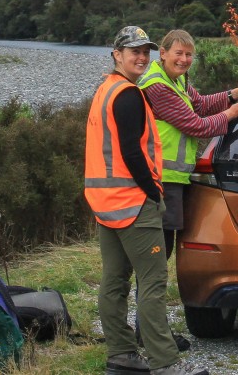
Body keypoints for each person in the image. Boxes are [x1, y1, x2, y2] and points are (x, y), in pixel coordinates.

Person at [84, 26, 209, 375]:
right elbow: (131, 153)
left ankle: (121, 357)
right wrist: (153, 193)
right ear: (116, 55)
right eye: (133, 51)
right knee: (152, 285)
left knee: (114, 282)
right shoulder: (129, 95)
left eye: (145, 51)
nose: (141, 57)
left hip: (106, 203)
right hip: (135, 203)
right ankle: (166, 364)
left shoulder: (106, 90)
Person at [135, 29, 238, 349]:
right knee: (155, 262)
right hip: (159, 182)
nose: (184, 60)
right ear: (162, 53)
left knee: (158, 259)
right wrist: (232, 114)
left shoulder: (177, 82)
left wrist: (234, 93)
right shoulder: (157, 86)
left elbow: (200, 104)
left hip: (171, 182)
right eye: (179, 54)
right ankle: (151, 335)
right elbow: (195, 124)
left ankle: (148, 332)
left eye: (189, 55)